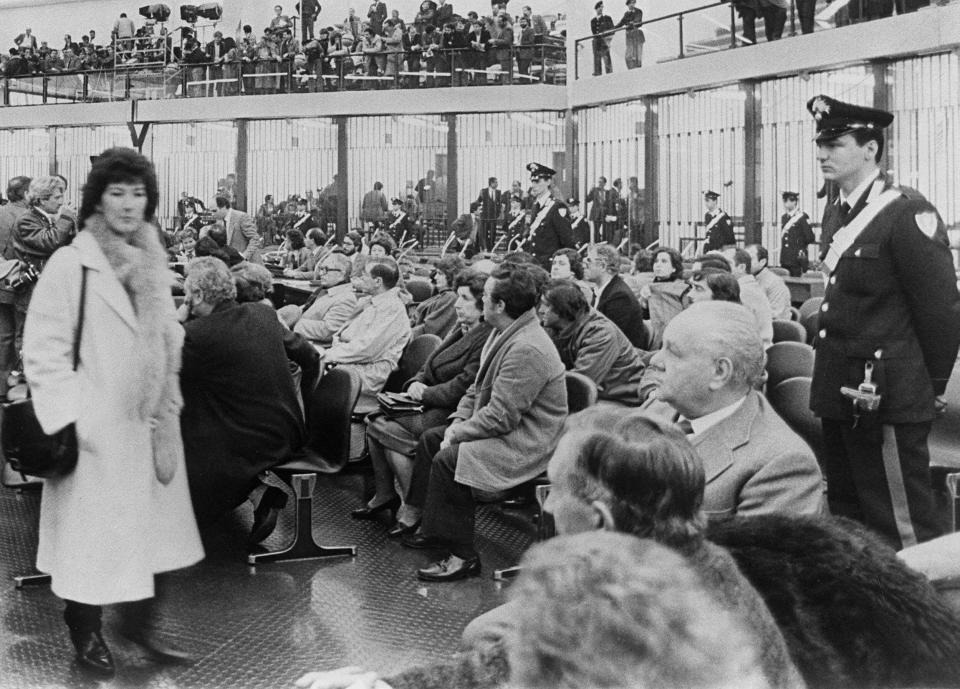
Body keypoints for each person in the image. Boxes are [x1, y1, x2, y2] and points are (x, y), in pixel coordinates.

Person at [22, 148, 203, 677]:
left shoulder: (153, 259)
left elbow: (168, 331)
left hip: (151, 423)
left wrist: (168, 368)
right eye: (117, 192)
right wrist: (75, 419)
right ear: (98, 198)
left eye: (139, 193)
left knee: (151, 535)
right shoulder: (71, 263)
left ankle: (139, 628)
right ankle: (86, 633)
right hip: (97, 430)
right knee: (92, 543)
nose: (128, 204)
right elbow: (43, 350)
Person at [806, 94, 960, 549]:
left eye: (835, 144)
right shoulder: (837, 209)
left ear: (871, 149)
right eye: (820, 144)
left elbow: (941, 314)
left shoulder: (908, 212)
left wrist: (925, 388)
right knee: (850, 522)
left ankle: (924, 617)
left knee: (903, 526)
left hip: (887, 395)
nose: (822, 154)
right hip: (839, 387)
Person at [403, 264, 567, 581]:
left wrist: (460, 433)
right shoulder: (503, 331)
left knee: (450, 458)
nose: (481, 301)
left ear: (500, 305)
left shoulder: (527, 347)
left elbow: (502, 417)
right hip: (507, 429)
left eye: (487, 296)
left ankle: (462, 556)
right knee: (432, 440)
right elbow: (476, 389)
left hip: (528, 442)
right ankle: (433, 529)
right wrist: (457, 422)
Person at [647, 301, 823, 517]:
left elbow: (747, 551)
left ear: (719, 372)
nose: (655, 360)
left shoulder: (783, 466)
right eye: (661, 347)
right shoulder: (659, 406)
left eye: (673, 352)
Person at [179, 256, 306, 538]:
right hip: (288, 429)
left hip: (247, 437)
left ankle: (250, 492)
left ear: (198, 295)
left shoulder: (198, 334)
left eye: (187, 295)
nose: (185, 301)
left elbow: (163, 376)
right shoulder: (263, 316)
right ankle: (259, 491)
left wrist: (177, 321)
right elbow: (307, 354)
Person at [359, 270, 493, 537]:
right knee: (377, 423)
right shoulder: (461, 328)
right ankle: (397, 499)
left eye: (464, 299)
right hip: (428, 401)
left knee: (377, 424)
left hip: (448, 411)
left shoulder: (486, 338)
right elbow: (429, 364)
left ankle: (410, 505)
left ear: (482, 306)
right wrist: (414, 383)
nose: (456, 304)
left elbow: (463, 386)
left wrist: (424, 393)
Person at [321, 256, 410, 412]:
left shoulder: (392, 308)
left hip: (368, 371)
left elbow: (367, 349)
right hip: (351, 361)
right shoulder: (370, 301)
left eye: (364, 276)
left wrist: (327, 355)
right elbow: (343, 334)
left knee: (307, 374)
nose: (360, 279)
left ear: (378, 282)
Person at [539, 280, 645, 405]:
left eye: (546, 305)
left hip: (619, 398)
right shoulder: (557, 325)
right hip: (597, 394)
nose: (540, 310)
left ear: (563, 308)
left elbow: (579, 385)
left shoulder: (600, 333)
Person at [13, 176, 74, 349]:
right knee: (29, 340)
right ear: (41, 199)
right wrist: (67, 219)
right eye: (57, 197)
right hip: (31, 292)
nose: (61, 202)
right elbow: (50, 242)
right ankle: (22, 373)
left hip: (44, 290)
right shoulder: (26, 220)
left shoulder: (45, 218)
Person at [0, 175, 31, 394]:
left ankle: (1, 387)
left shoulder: (1, 213)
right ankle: (19, 391)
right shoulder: (28, 218)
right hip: (21, 284)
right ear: (26, 194)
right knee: (22, 336)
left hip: (0, 284)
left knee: (3, 336)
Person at [584, 243, 648, 349]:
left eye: (589, 261)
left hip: (620, 360)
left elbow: (609, 340)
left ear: (603, 266)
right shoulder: (601, 291)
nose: (584, 265)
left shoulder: (620, 297)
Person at [284, 252, 357, 342]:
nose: (321, 273)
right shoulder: (325, 290)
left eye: (326, 269)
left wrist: (292, 323)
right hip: (299, 336)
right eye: (321, 269)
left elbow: (328, 331)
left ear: (341, 274)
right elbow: (305, 310)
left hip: (310, 345)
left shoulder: (346, 298)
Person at [522, 162, 575, 268]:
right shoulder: (535, 205)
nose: (533, 185)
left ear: (548, 181)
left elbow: (566, 240)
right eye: (532, 181)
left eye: (537, 181)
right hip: (535, 264)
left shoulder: (557, 207)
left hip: (550, 265)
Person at [722, 247, 774, 349]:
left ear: (741, 267)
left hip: (753, 351)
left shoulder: (745, 292)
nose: (721, 268)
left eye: (727, 264)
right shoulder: (744, 287)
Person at [640, 246, 688, 350]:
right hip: (654, 339)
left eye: (664, 261)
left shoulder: (683, 289)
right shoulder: (647, 287)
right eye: (656, 261)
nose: (658, 265)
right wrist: (643, 302)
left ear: (674, 268)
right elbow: (644, 318)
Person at [410, 254, 464, 338]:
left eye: (440, 274)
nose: (435, 277)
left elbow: (428, 328)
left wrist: (403, 335)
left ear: (451, 275)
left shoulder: (451, 297)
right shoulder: (442, 294)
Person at [746, 243, 792, 320]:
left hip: (773, 327)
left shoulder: (775, 283)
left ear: (762, 262)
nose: (744, 263)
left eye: (749, 259)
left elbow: (774, 314)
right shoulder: (744, 279)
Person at [212, 196, 262, 263]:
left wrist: (244, 256)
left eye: (214, 211)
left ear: (223, 207)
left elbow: (255, 239)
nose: (212, 214)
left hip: (249, 265)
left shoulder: (241, 217)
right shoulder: (219, 221)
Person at [778, 191, 815, 276]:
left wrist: (799, 245)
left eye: (788, 201)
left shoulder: (802, 217)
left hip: (797, 258)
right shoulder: (784, 217)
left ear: (794, 202)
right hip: (785, 257)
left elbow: (810, 237)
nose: (785, 204)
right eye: (784, 201)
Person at [474, 177, 501, 252]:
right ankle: (485, 249)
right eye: (495, 182)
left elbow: (499, 204)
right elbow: (478, 201)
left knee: (493, 234)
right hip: (485, 217)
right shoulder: (483, 191)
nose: (497, 184)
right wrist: (479, 211)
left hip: (493, 218)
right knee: (484, 233)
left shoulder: (498, 192)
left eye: (497, 182)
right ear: (491, 183)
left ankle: (491, 249)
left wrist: (498, 214)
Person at [615, 0, 644, 69]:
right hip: (629, 36)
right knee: (628, 56)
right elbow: (621, 23)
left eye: (633, 3)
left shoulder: (638, 11)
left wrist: (633, 23)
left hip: (637, 34)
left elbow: (638, 19)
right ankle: (631, 70)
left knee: (637, 56)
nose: (632, 4)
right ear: (627, 5)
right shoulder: (626, 14)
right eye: (630, 3)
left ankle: (637, 70)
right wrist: (612, 28)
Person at [590, 1, 614, 76]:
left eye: (601, 7)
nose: (600, 9)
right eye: (599, 7)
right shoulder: (593, 21)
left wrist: (608, 39)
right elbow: (594, 32)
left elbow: (612, 30)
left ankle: (609, 75)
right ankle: (597, 74)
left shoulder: (607, 18)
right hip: (596, 42)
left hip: (604, 41)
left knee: (607, 59)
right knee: (597, 60)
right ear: (596, 9)